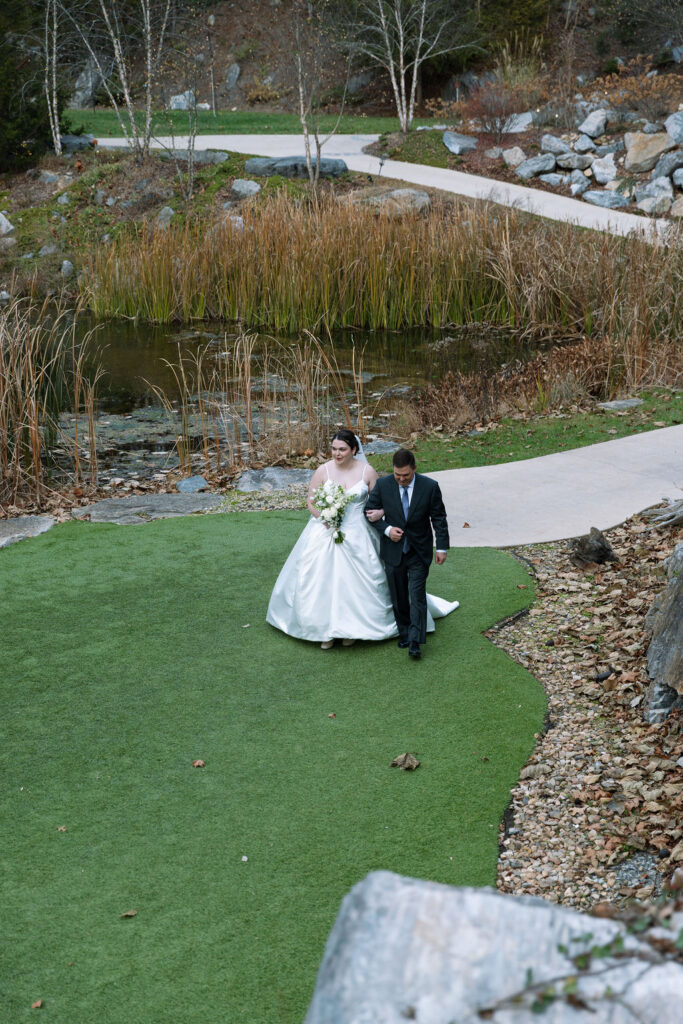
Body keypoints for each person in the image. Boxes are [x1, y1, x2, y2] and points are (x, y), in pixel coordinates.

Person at [266, 432, 457, 650]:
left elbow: (383, 502)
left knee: (360, 583)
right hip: (326, 531)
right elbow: (311, 501)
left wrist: (380, 515)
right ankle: (324, 631)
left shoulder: (368, 472)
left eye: (342, 449)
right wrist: (324, 516)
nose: (337, 453)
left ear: (354, 450)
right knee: (322, 581)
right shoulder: (323, 470)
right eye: (334, 448)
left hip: (359, 533)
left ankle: (354, 631)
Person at [365, 448, 450, 660]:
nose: (401, 479)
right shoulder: (384, 485)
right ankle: (404, 632)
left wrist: (441, 547)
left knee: (417, 595)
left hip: (419, 551)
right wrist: (386, 529)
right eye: (397, 475)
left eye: (406, 475)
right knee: (399, 595)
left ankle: (415, 640)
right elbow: (368, 512)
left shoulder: (429, 487)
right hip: (393, 551)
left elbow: (438, 518)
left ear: (414, 469)